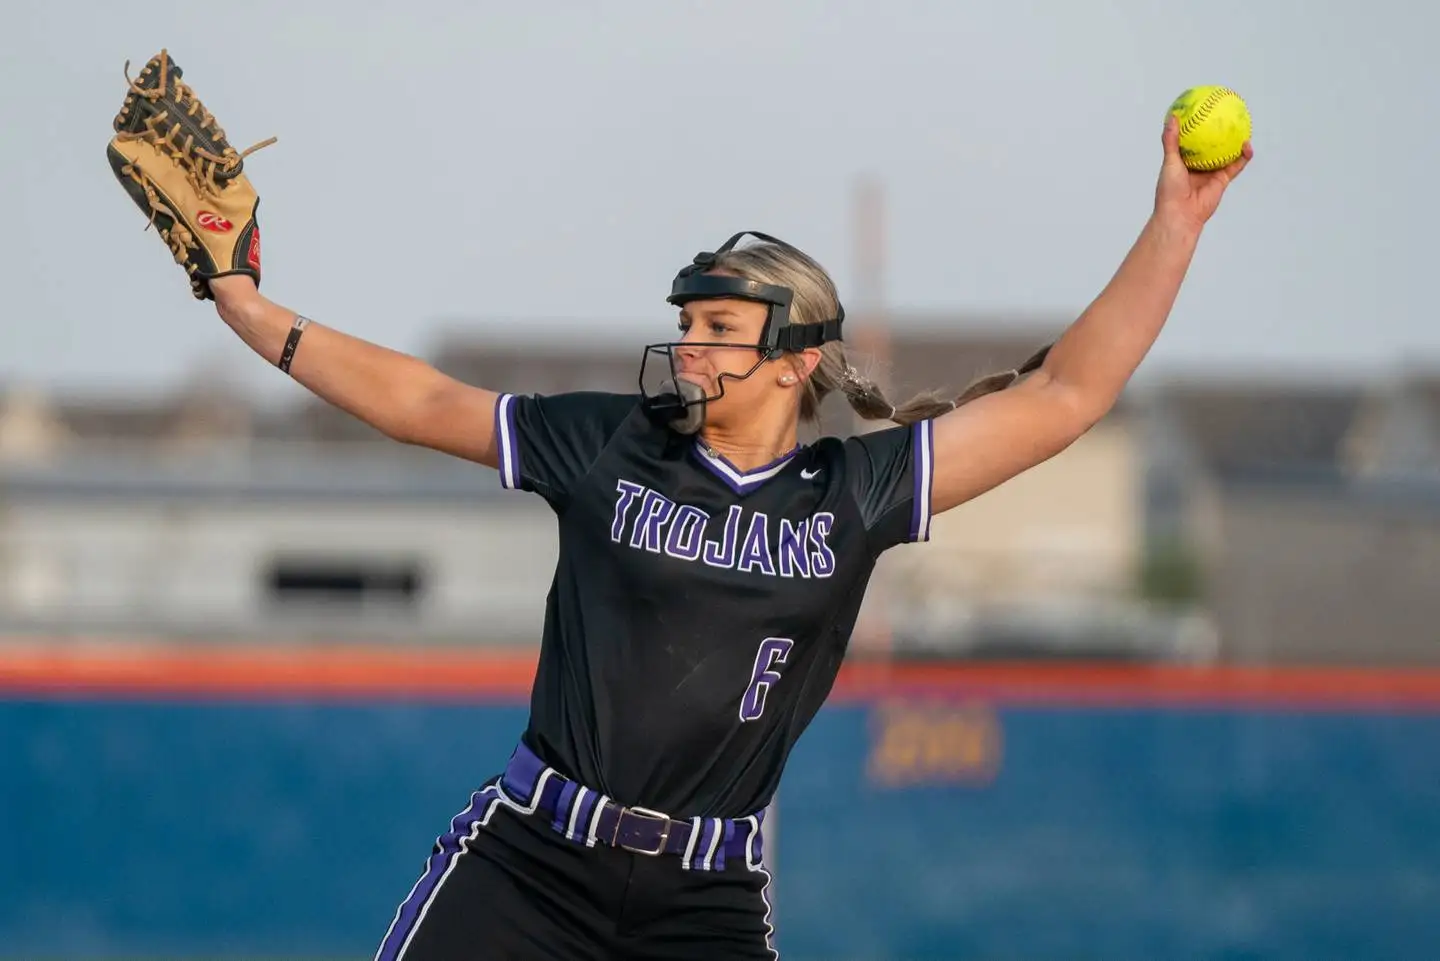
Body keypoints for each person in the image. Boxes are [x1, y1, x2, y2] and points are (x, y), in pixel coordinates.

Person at [204, 115, 1251, 960]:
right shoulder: (611, 447)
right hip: (529, 864)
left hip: (702, 901)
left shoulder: (850, 493)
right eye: (689, 322)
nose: (689, 347)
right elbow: (424, 398)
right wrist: (254, 311)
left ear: (798, 359)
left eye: (718, 330)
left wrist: (1178, 223)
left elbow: (1069, 395)